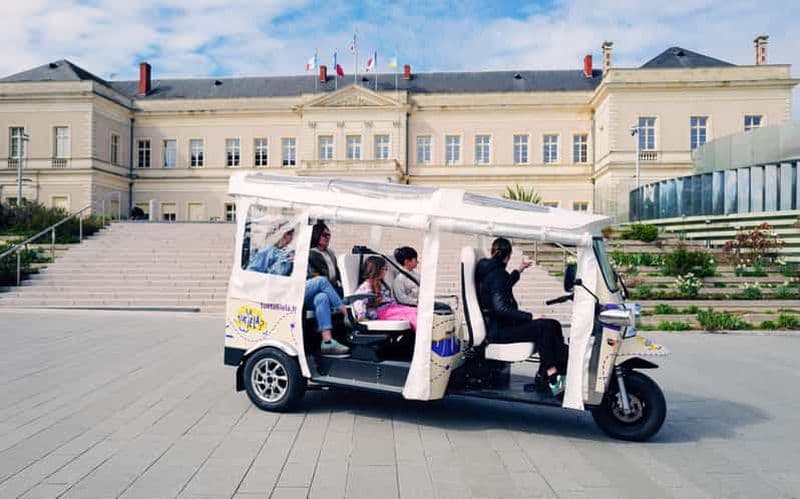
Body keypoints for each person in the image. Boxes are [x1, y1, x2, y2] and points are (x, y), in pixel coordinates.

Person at [476, 237, 567, 396]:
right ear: (509, 255)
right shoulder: (497, 274)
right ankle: (552, 376)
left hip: (500, 326)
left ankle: (547, 374)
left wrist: (519, 270)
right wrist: (531, 316)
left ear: (492, 252)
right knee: (544, 327)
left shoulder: (490, 270)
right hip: (498, 331)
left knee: (553, 324)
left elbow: (503, 286)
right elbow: (501, 308)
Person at [353, 256, 417, 331]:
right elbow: (358, 301)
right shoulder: (366, 287)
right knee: (413, 316)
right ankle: (422, 339)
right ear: (375, 270)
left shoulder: (381, 284)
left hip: (392, 308)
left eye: (386, 269)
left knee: (417, 311)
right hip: (382, 312)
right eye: (383, 269)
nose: (385, 272)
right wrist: (361, 316)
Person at [308, 221, 343, 294]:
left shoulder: (330, 252)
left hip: (335, 286)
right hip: (322, 289)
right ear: (316, 235)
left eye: (329, 235)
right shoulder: (311, 254)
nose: (328, 237)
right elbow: (313, 274)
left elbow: (337, 271)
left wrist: (344, 284)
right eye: (324, 235)